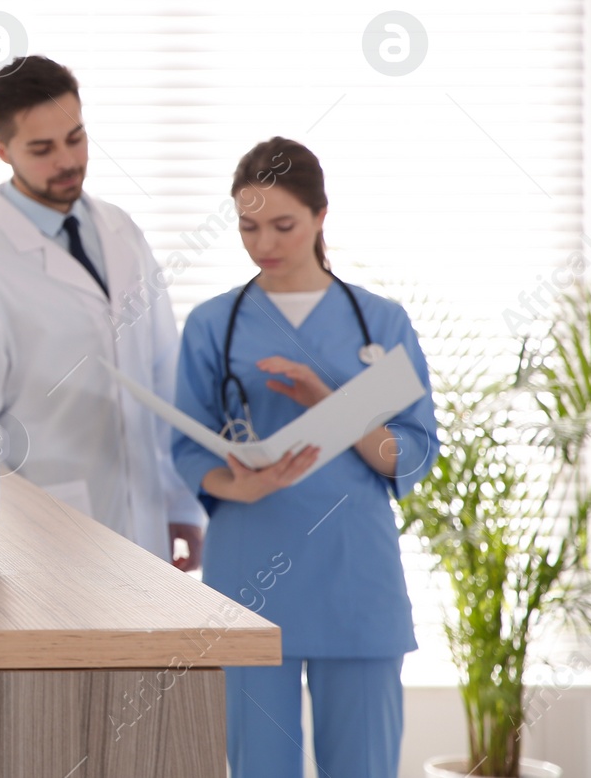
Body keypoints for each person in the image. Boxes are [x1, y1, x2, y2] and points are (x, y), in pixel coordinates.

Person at [172, 137, 438, 778]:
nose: (265, 242)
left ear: (321, 217)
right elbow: (186, 447)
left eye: (283, 224)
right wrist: (238, 487)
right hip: (248, 575)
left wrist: (334, 403)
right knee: (258, 767)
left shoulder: (381, 322)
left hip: (357, 580)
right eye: (248, 226)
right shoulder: (214, 324)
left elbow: (413, 455)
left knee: (365, 767)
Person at [0, 56, 205, 567]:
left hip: (147, 520)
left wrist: (181, 504)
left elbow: (164, 377)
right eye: (42, 149)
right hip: (48, 541)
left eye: (76, 138)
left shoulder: (122, 232)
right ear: (3, 151)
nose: (67, 161)